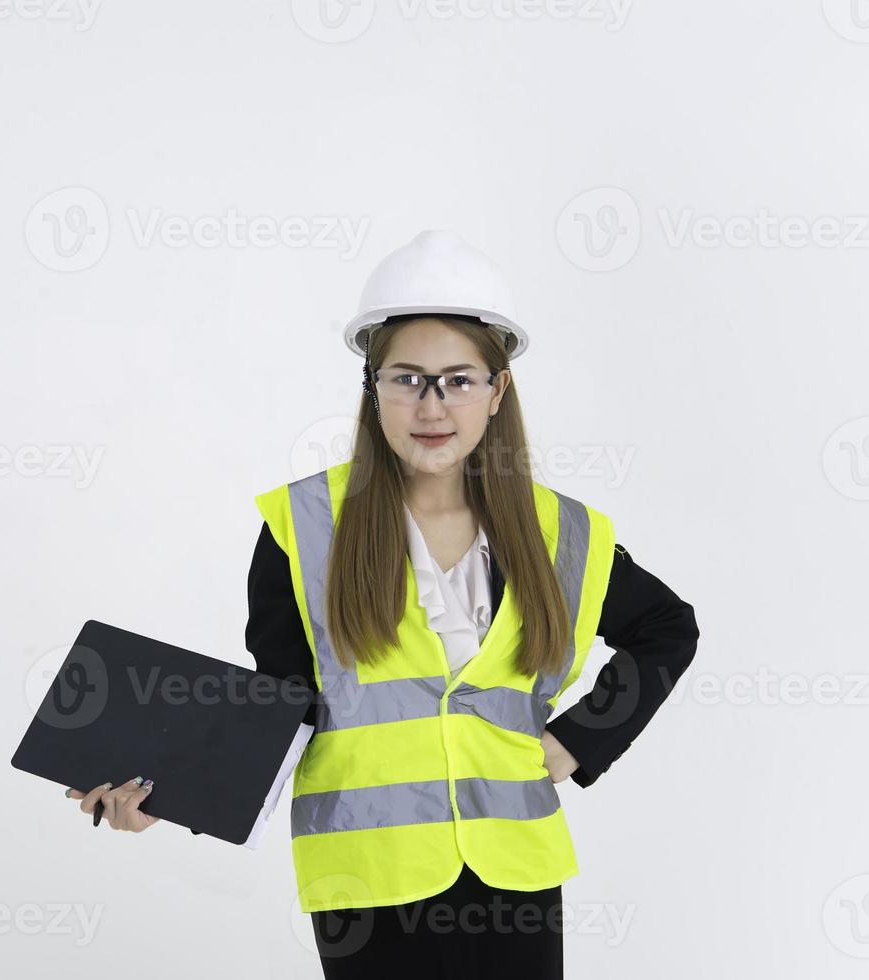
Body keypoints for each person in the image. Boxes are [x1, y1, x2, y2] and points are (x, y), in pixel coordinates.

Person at [66, 231, 700, 979]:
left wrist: (579, 743)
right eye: (407, 379)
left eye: (458, 380)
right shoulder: (304, 528)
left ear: (498, 392)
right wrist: (162, 793)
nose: (431, 405)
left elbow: (667, 628)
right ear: (373, 387)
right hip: (367, 881)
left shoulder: (562, 533)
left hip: (517, 878)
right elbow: (284, 704)